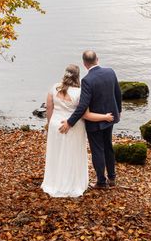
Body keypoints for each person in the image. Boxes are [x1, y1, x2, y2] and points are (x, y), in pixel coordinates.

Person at [41, 64, 114, 197]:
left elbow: (49, 109)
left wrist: (50, 124)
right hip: (73, 126)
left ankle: (54, 182)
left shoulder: (54, 87)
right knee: (72, 155)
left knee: (56, 154)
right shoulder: (80, 92)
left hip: (56, 124)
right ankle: (72, 183)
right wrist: (105, 117)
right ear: (78, 76)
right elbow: (85, 114)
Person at [59, 50, 122, 189]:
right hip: (110, 118)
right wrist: (119, 111)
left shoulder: (87, 80)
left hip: (95, 122)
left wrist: (70, 122)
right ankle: (112, 178)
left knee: (98, 150)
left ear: (84, 64)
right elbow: (118, 93)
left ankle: (101, 182)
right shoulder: (110, 72)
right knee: (108, 147)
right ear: (97, 59)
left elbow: (83, 106)